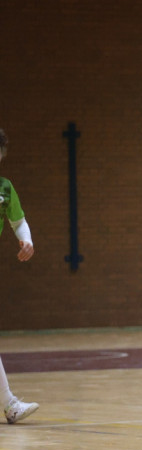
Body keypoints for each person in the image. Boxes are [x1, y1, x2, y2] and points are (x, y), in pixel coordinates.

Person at [0, 129, 39, 424]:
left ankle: (10, 404)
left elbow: (18, 221)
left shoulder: (5, 187)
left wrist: (27, 240)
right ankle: (10, 404)